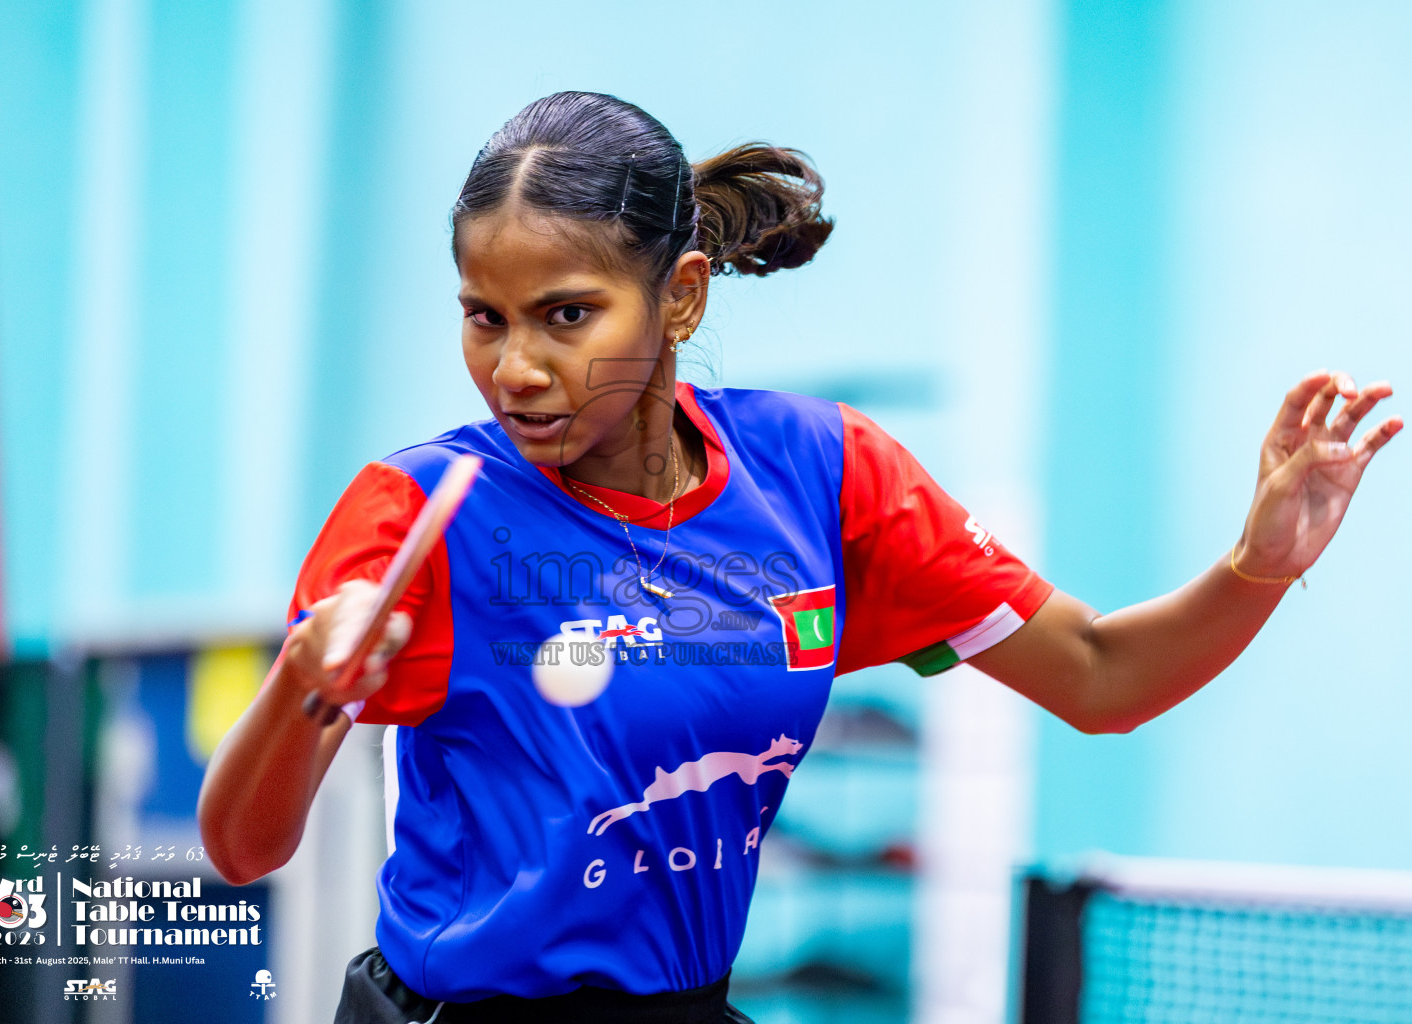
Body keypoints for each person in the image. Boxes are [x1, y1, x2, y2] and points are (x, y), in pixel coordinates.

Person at [197, 91, 1401, 1023]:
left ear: (678, 298)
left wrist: (1258, 563)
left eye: (566, 314)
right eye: (484, 316)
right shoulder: (419, 513)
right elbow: (243, 846)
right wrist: (311, 689)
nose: (516, 366)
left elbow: (1098, 675)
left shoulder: (821, 478)